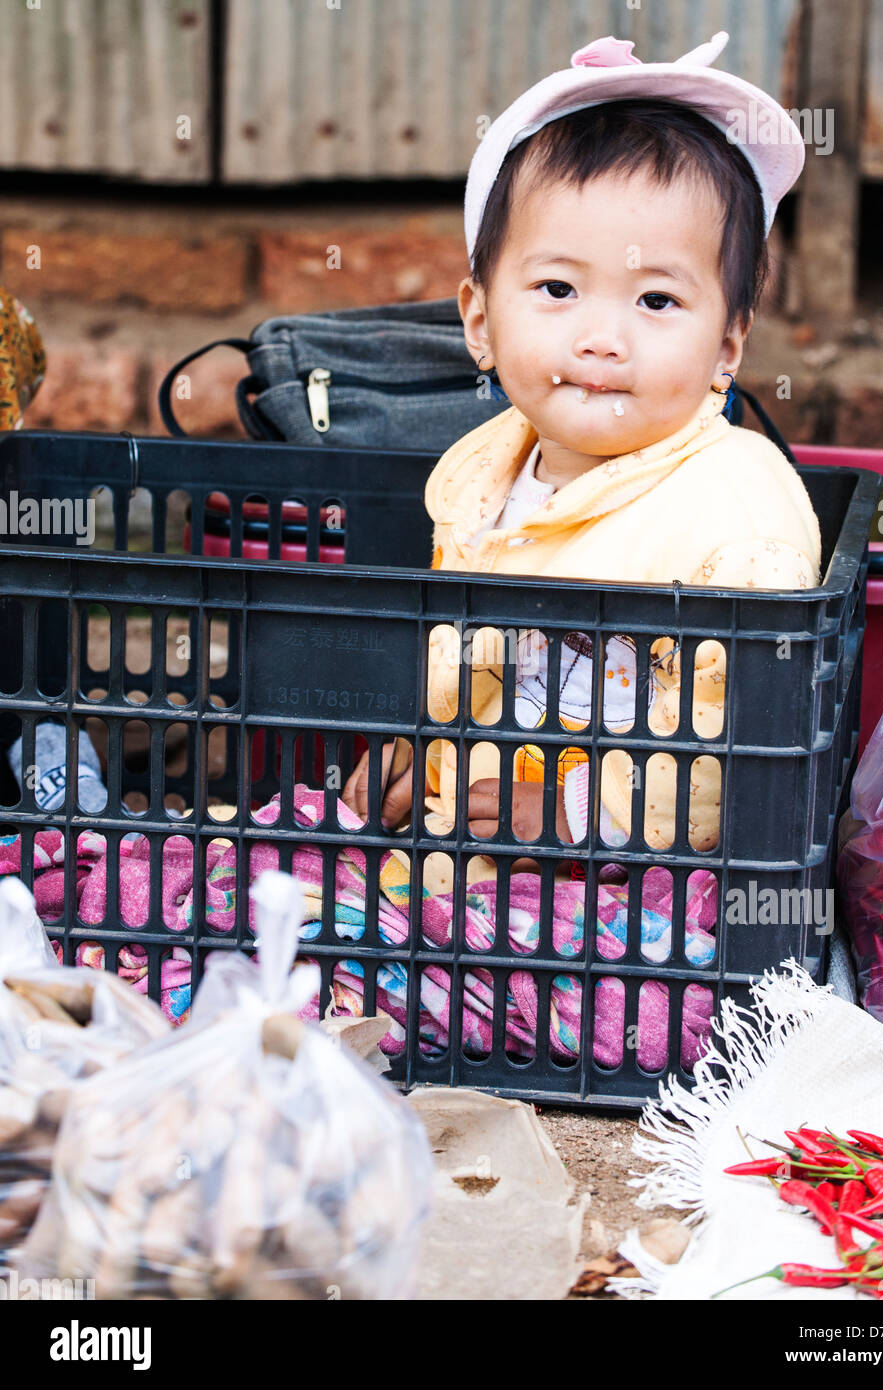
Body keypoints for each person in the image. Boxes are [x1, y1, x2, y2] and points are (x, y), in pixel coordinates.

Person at [343, 31, 821, 873]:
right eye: (558, 289)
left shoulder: (736, 516)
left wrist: (577, 817)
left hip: (635, 902)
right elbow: (464, 663)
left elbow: (741, 749)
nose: (603, 338)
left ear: (729, 346)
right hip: (470, 852)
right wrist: (415, 743)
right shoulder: (481, 476)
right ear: (482, 322)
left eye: (658, 299)